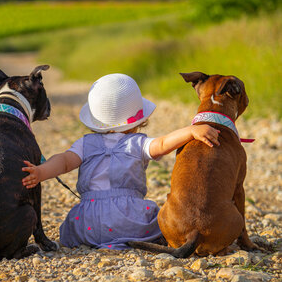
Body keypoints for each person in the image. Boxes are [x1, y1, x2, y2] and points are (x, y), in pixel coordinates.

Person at [22, 73, 220, 249]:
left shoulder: (85, 143)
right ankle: (137, 239)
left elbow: (63, 162)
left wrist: (41, 172)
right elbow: (163, 143)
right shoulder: (137, 143)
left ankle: (93, 240)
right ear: (137, 120)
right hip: (129, 220)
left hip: (88, 224)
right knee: (161, 220)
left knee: (71, 228)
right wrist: (191, 130)